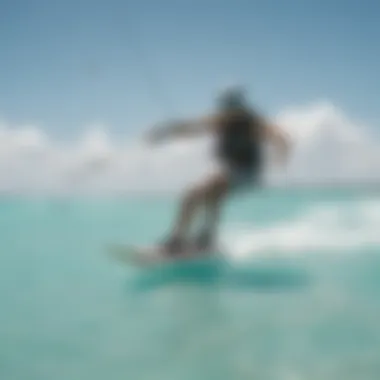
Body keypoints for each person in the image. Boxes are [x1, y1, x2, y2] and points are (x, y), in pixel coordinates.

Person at [146, 85, 291, 255]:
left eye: (230, 106)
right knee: (198, 193)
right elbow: (192, 127)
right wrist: (165, 131)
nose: (227, 112)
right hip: (227, 173)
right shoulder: (220, 121)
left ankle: (191, 238)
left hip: (248, 174)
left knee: (212, 185)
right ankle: (195, 239)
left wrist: (281, 157)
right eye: (225, 106)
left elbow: (279, 136)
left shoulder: (251, 122)